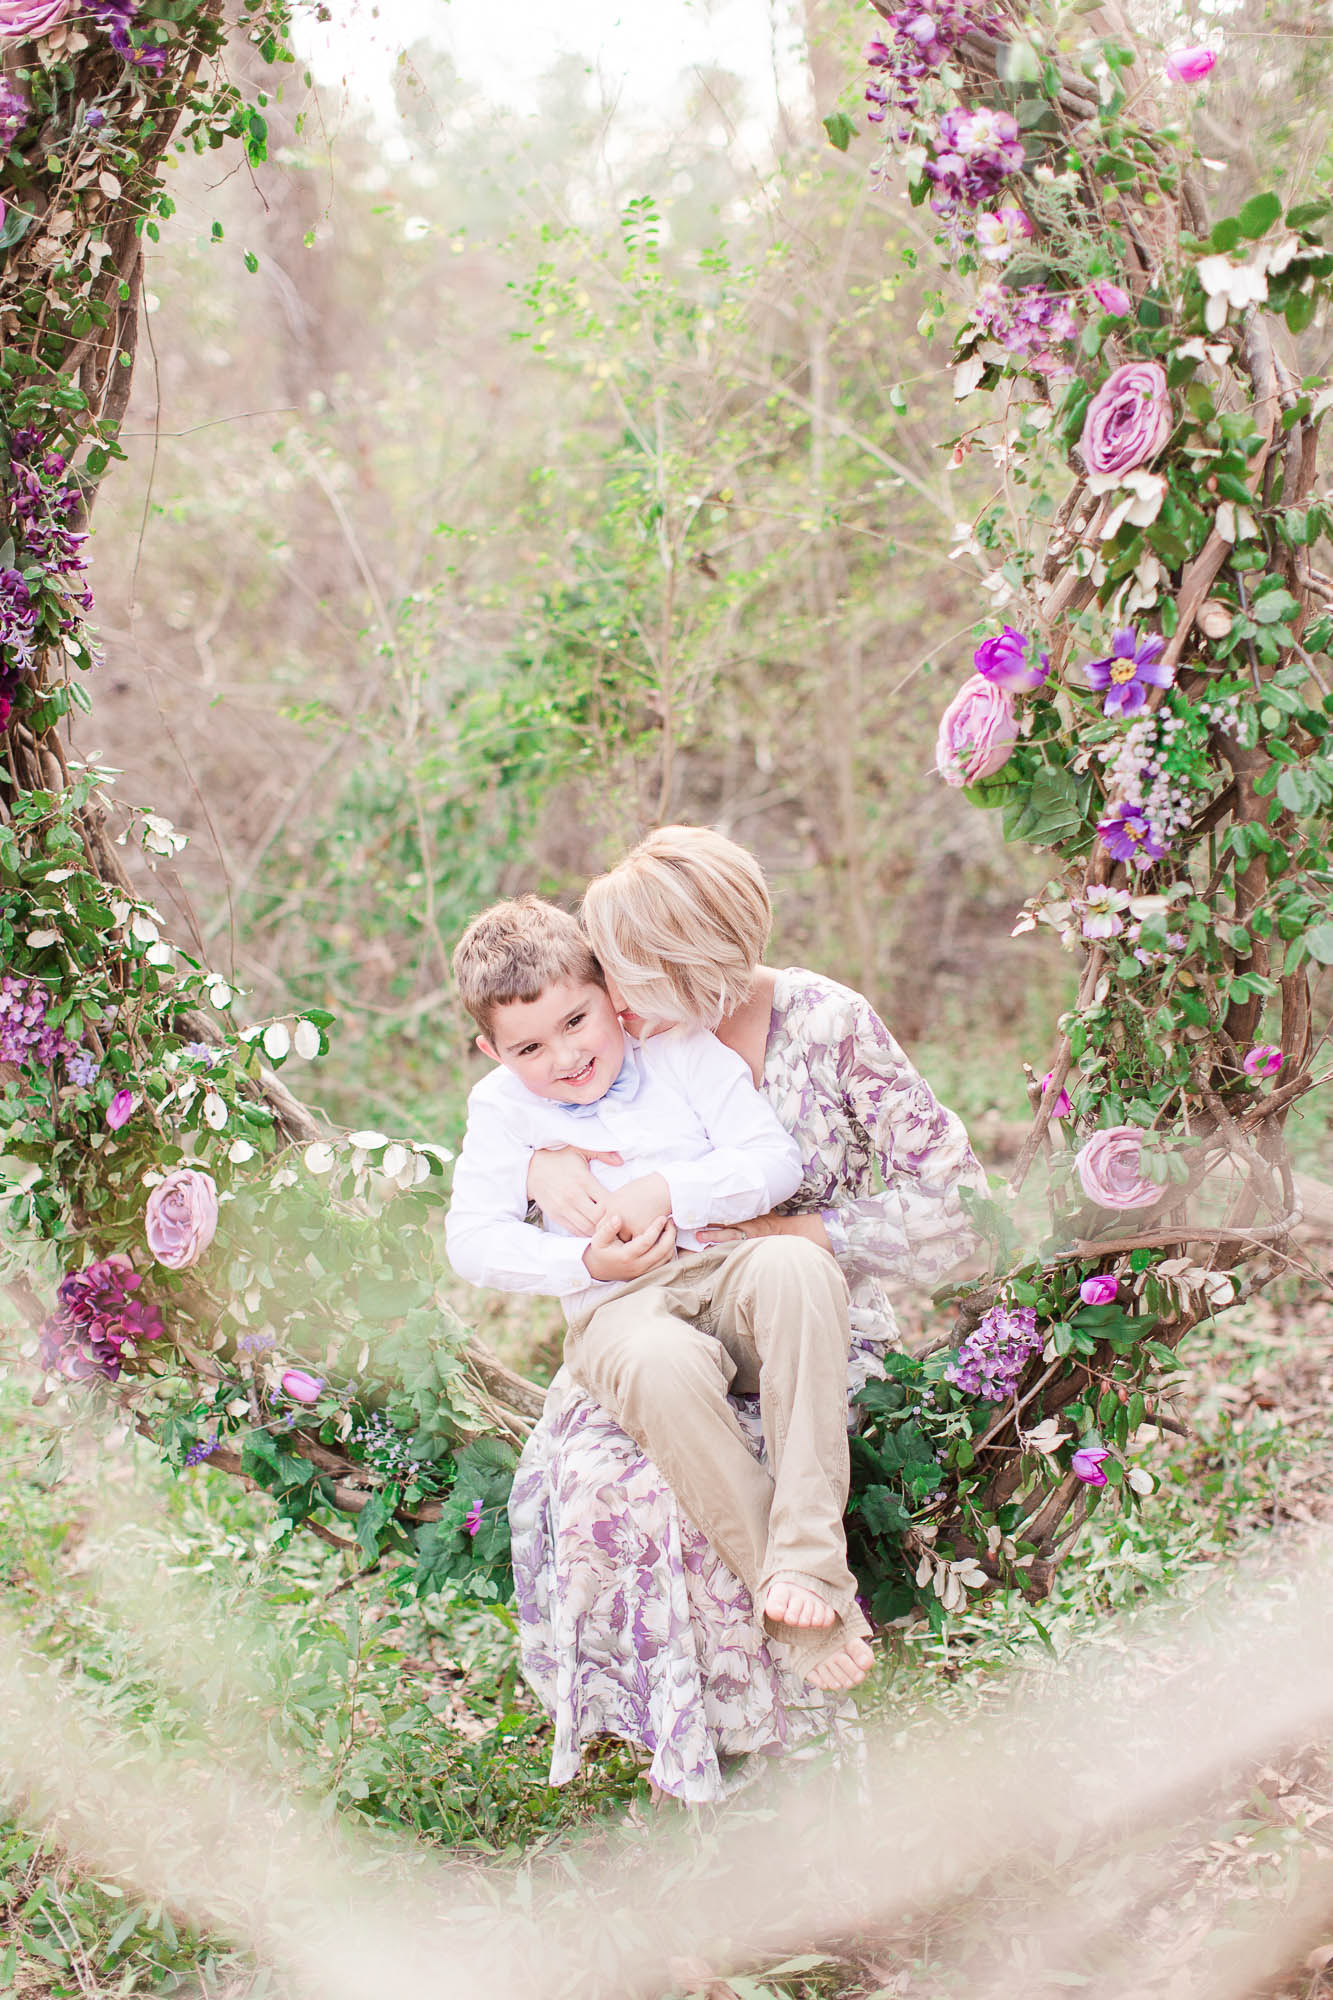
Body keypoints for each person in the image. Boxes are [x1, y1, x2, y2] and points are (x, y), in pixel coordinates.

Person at [507, 827, 987, 1804]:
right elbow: (516, 1118)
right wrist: (535, 1165)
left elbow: (966, 1214)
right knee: (621, 1483)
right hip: (653, 1326)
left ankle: (808, 1770)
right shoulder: (622, 1038)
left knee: (750, 1428)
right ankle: (721, 1741)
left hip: (804, 1324)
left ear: (692, 959)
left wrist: (812, 1231)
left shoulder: (825, 1024)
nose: (614, 998)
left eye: (629, 971)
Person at [445, 895, 876, 1688]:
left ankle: (810, 1553)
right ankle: (796, 1607)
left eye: (576, 1021)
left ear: (611, 995)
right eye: (529, 1047)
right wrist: (585, 1264)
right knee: (656, 1360)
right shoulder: (500, 1110)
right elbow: (470, 1240)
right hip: (620, 1306)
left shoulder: (677, 1050)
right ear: (491, 1050)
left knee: (799, 1267)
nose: (565, 1056)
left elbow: (770, 1161)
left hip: (728, 1272)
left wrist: (665, 1191)